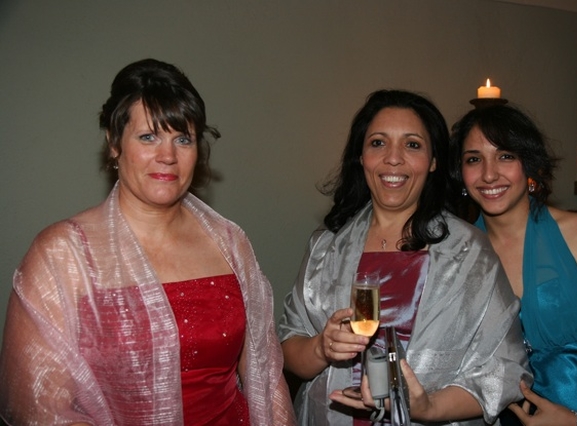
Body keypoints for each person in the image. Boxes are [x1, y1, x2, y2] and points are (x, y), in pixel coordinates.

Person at [0, 58, 295, 425]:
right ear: (113, 143)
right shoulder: (62, 254)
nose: (167, 156)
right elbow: (41, 408)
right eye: (148, 137)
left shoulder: (230, 242)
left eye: (182, 139)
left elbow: (265, 374)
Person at [277, 89, 531, 426]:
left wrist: (426, 407)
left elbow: (506, 369)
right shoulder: (326, 247)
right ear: (361, 156)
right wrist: (321, 349)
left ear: (434, 160)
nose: (393, 159)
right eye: (378, 143)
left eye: (412, 145)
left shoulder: (470, 251)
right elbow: (287, 344)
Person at [449, 104, 577, 426]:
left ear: (530, 164)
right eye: (473, 159)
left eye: (506, 155)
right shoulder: (457, 256)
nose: (489, 173)